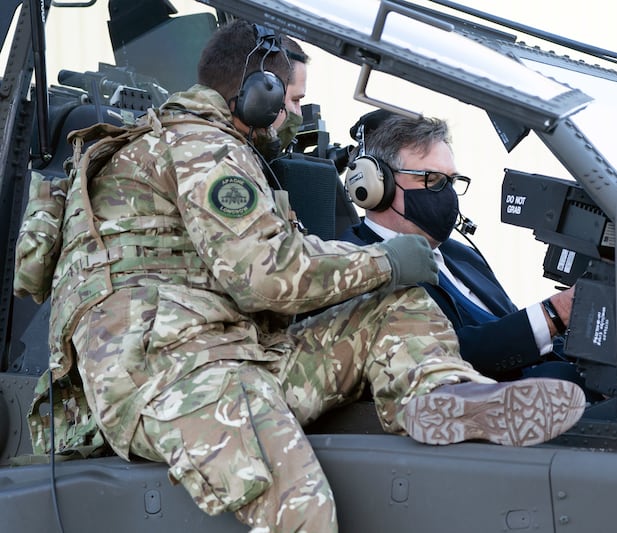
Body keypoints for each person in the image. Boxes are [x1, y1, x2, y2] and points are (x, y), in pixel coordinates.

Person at [21, 20, 585, 533]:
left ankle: (442, 398)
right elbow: (263, 278)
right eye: (291, 99)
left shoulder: (211, 148)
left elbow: (288, 250)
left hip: (233, 355)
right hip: (168, 376)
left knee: (395, 308)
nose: (292, 114)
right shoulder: (200, 147)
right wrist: (385, 260)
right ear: (258, 90)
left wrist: (382, 274)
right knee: (302, 510)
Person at [339, 110, 583, 384]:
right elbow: (443, 354)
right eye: (431, 180)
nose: (446, 195)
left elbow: (512, 326)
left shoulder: (462, 256)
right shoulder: (357, 264)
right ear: (376, 185)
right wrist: (555, 313)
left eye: (451, 181)